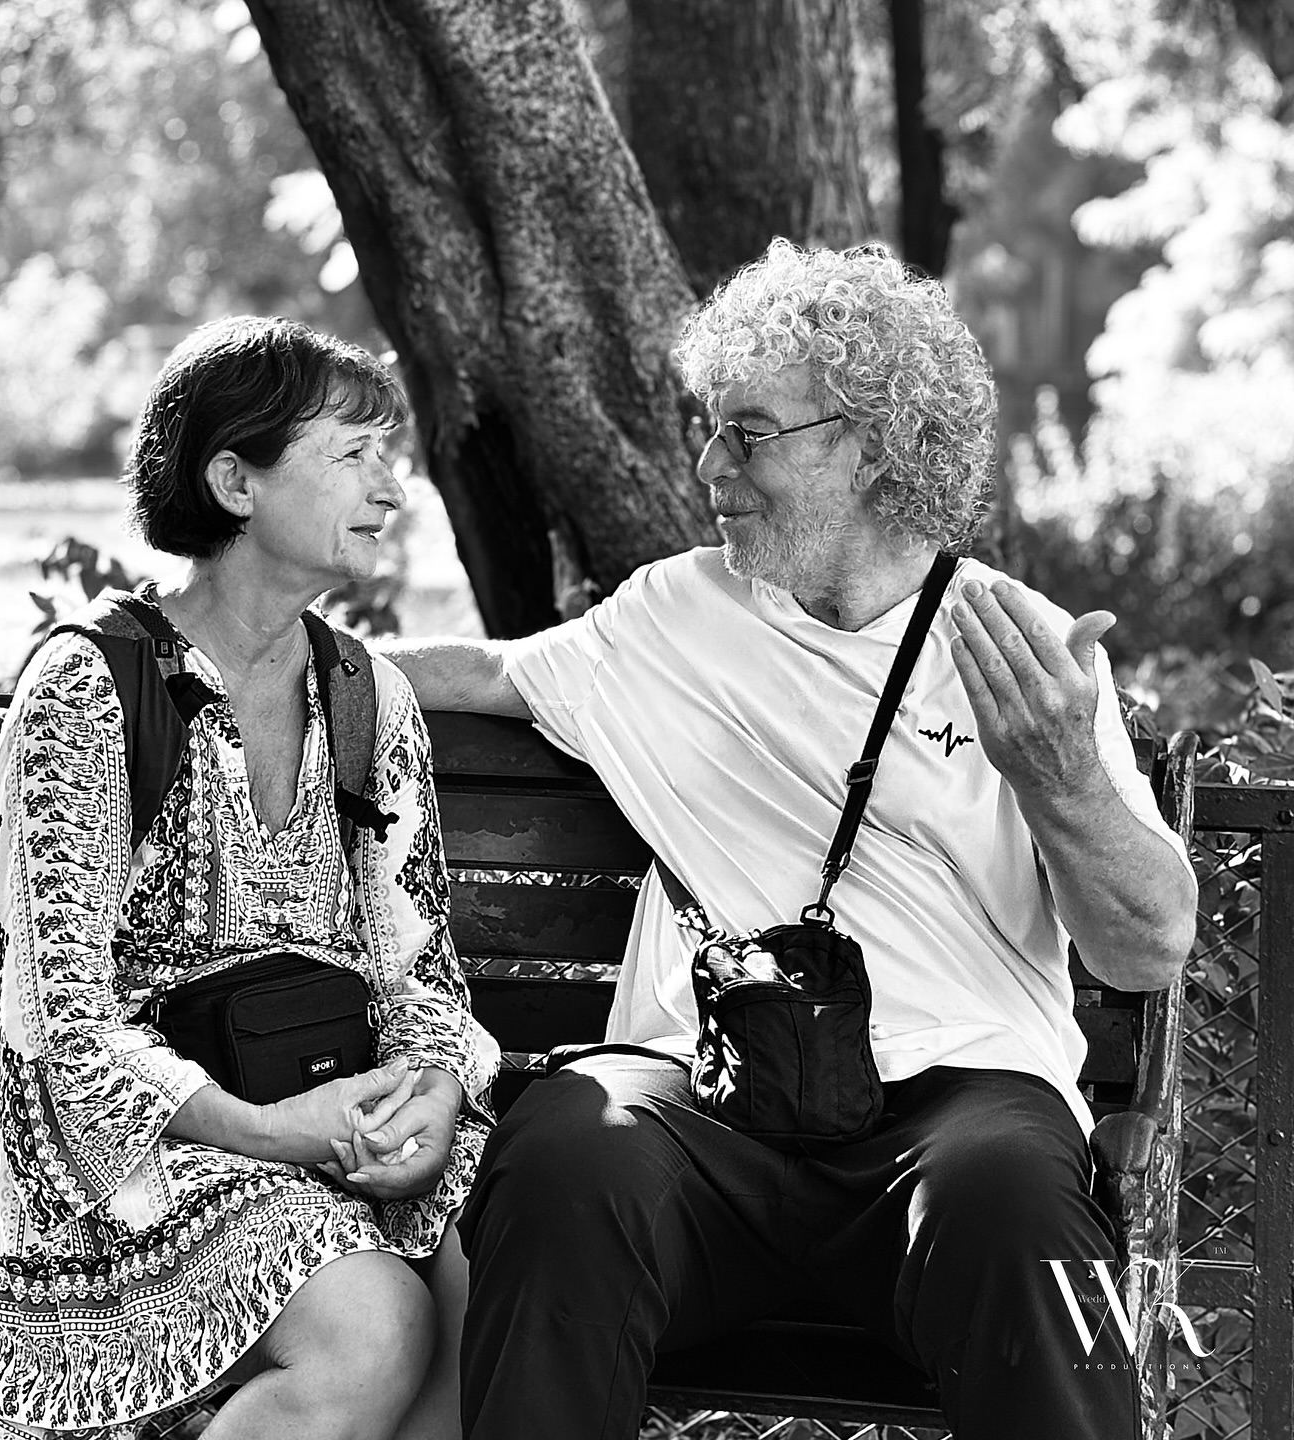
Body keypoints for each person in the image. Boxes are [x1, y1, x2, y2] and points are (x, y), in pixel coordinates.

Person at [384, 240, 1197, 1440]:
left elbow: (1149, 950)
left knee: (1018, 1204)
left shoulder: (1015, 645)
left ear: (867, 441)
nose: (711, 466)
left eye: (748, 431)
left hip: (959, 1113)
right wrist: (231, 654)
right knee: (567, 1152)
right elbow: (487, 674)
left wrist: (1062, 777)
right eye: (709, 429)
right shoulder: (676, 612)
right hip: (704, 1104)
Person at [0, 317, 500, 1440]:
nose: (393, 488)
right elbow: (62, 1029)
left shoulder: (368, 696)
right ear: (235, 480)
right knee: (372, 1325)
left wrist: (428, 1095)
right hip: (115, 1162)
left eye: (392, 454)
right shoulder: (91, 691)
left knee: (507, 1259)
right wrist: (282, 1131)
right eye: (354, 454)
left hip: (328, 1114)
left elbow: (418, 972)